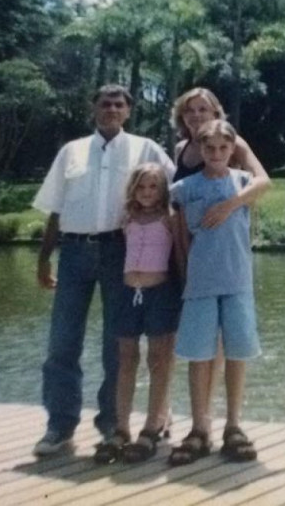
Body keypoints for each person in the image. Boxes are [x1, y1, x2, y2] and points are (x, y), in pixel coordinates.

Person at [32, 84, 176, 457]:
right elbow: (55, 209)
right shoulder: (72, 151)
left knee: (117, 342)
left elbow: (177, 191)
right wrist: (44, 257)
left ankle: (114, 424)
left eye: (118, 104)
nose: (111, 109)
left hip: (120, 251)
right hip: (74, 252)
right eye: (104, 103)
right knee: (62, 342)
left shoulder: (146, 148)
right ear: (93, 107)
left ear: (128, 110)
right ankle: (59, 426)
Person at [169, 87, 271, 446]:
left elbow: (263, 181)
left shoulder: (235, 151)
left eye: (203, 109)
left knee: (235, 350)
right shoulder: (181, 162)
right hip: (195, 272)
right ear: (182, 117)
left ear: (217, 113)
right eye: (190, 111)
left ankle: (232, 424)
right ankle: (199, 426)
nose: (196, 115)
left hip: (234, 273)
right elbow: (173, 220)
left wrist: (230, 204)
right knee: (198, 350)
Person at [93, 163, 182, 464]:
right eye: (141, 187)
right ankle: (121, 428)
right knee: (126, 359)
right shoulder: (127, 218)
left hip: (160, 294)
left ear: (162, 190)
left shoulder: (170, 218)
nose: (146, 192)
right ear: (134, 189)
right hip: (128, 293)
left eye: (153, 187)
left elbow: (180, 253)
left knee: (159, 359)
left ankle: (152, 426)